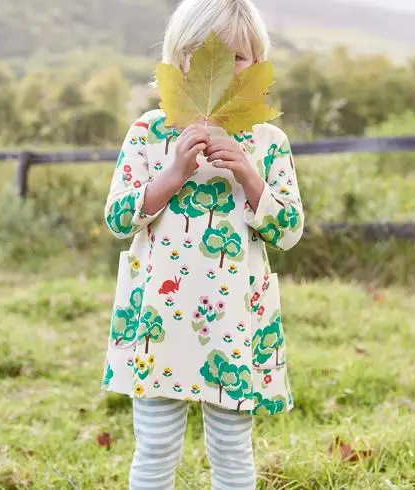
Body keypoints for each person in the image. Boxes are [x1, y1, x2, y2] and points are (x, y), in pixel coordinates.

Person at [100, 0, 305, 488]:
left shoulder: (267, 141)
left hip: (232, 323)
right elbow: (117, 218)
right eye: (199, 51)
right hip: (158, 321)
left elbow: (290, 230)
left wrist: (250, 177)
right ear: (177, 58)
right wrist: (171, 174)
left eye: (237, 56)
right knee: (154, 450)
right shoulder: (150, 133)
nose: (218, 64)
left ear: (258, 66)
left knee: (233, 452)